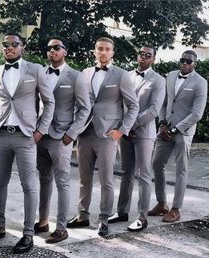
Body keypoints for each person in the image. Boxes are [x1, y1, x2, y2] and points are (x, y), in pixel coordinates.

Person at [0, 32, 55, 254]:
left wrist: (41, 130)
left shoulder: (35, 70)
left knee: (29, 185)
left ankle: (28, 234)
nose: (9, 48)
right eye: (6, 45)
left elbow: (49, 102)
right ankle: (0, 226)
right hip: (1, 135)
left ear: (22, 47)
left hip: (25, 136)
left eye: (14, 44)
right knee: (0, 182)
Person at [67, 37, 139, 236]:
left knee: (106, 179)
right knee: (84, 177)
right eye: (100, 49)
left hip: (108, 134)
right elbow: (79, 102)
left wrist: (122, 130)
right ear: (94, 51)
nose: (103, 52)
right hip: (85, 132)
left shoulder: (122, 75)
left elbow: (133, 106)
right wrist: (75, 126)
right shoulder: (85, 73)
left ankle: (104, 218)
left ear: (112, 53)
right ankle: (82, 215)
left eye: (107, 49)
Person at [34, 36, 91, 243]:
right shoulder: (40, 73)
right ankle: (42, 221)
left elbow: (85, 109)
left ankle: (61, 228)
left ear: (65, 51)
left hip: (61, 137)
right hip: (41, 135)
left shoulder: (76, 76)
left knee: (62, 182)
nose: (52, 51)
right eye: (49, 48)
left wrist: (71, 134)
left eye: (57, 47)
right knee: (43, 180)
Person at [108, 45, 165, 231]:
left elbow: (154, 110)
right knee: (126, 172)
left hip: (143, 133)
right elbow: (120, 102)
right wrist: (123, 126)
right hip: (125, 132)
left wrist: (130, 125)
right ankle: (122, 211)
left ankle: (142, 217)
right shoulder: (127, 75)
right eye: (141, 54)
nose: (143, 57)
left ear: (153, 59)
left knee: (144, 175)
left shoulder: (158, 80)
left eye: (148, 55)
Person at [148, 50, 207, 222]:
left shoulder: (200, 82)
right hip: (165, 129)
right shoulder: (171, 76)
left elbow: (197, 114)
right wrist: (162, 124)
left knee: (181, 169)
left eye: (189, 61)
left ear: (194, 64)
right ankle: (161, 203)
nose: (185, 63)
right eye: (183, 60)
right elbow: (164, 102)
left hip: (183, 132)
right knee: (157, 164)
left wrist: (175, 130)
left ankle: (176, 208)